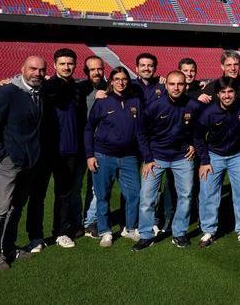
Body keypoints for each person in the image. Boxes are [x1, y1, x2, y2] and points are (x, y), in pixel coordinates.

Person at [0, 55, 46, 270]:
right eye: (32, 69)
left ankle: (8, 247)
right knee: (0, 206)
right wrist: (2, 156)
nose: (37, 73)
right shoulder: (6, 92)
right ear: (22, 69)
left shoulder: (39, 92)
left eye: (41, 70)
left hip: (29, 161)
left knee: (17, 206)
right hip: (8, 161)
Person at [27, 48, 90, 252]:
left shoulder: (79, 88)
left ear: (75, 65)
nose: (66, 67)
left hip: (70, 151)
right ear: (54, 65)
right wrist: (6, 82)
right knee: (38, 195)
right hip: (46, 151)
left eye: (70, 63)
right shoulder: (45, 87)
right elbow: (23, 88)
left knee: (64, 194)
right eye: (62, 63)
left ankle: (61, 232)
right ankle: (35, 236)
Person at [133, 71, 198, 251]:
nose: (176, 87)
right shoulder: (154, 106)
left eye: (180, 84)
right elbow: (141, 132)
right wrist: (147, 158)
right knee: (147, 197)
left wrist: (193, 144)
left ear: (185, 86)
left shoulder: (193, 105)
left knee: (185, 196)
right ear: (166, 85)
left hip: (182, 158)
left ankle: (179, 233)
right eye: (172, 84)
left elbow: (199, 129)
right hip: (156, 158)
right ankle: (145, 235)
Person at [85, 67, 142, 247]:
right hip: (103, 156)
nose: (121, 82)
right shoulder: (102, 102)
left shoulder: (135, 101)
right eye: (116, 78)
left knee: (133, 194)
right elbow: (88, 129)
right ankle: (105, 231)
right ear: (111, 81)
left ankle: (130, 228)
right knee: (103, 195)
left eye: (124, 78)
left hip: (129, 157)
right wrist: (89, 155)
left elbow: (141, 130)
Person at [194, 76, 240, 248]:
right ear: (218, 94)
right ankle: (208, 231)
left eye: (230, 91)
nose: (227, 96)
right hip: (214, 156)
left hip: (238, 155)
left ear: (236, 93)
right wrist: (204, 161)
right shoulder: (208, 112)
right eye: (223, 92)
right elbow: (198, 136)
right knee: (208, 193)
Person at [80, 55, 108, 239]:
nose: (97, 72)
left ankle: (92, 221)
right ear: (86, 71)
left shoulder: (110, 87)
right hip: (78, 145)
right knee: (75, 188)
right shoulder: (79, 89)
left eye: (99, 69)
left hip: (100, 146)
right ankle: (83, 221)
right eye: (92, 69)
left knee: (96, 186)